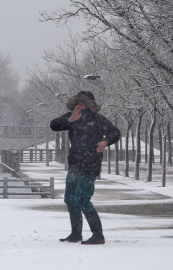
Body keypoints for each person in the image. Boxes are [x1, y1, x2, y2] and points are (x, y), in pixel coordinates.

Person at [50, 91, 120, 245]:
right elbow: (53, 125)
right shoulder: (71, 116)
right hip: (74, 164)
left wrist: (105, 142)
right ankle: (76, 234)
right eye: (77, 103)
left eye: (82, 103)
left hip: (90, 164)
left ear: (89, 105)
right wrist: (70, 119)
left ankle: (98, 235)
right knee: (70, 198)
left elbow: (115, 133)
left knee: (82, 198)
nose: (79, 106)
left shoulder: (98, 119)